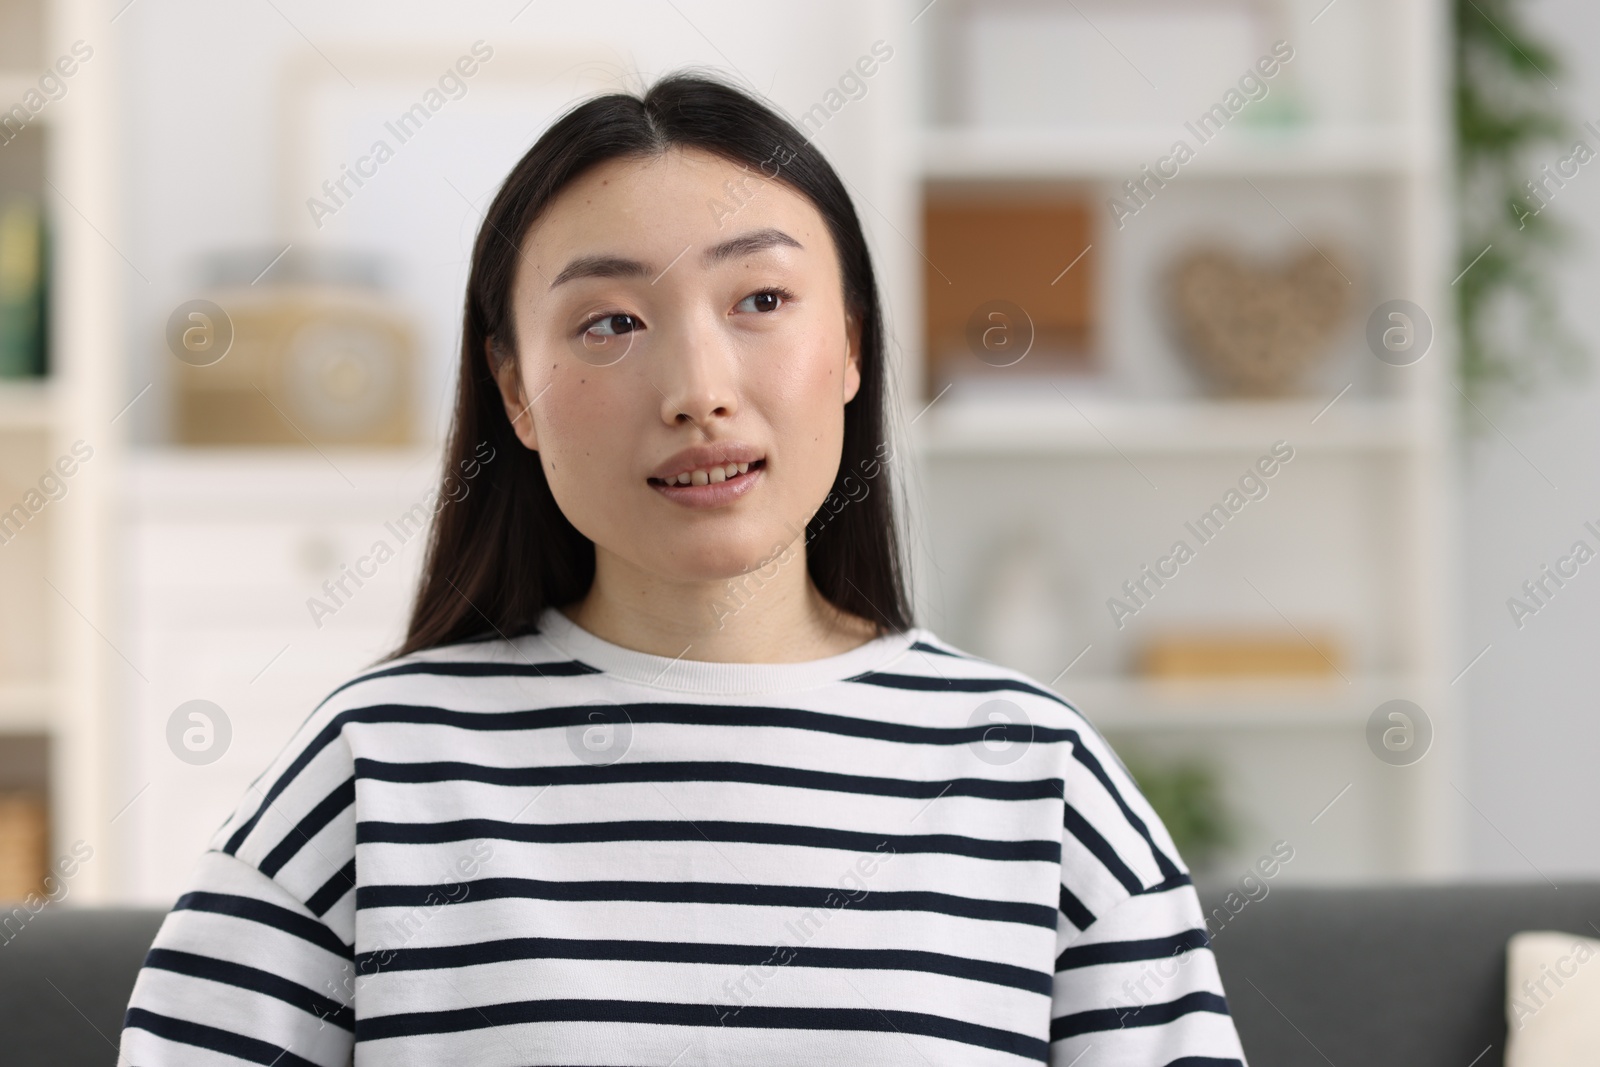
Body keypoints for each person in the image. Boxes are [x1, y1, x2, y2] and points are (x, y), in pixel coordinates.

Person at [118, 70, 1247, 1066]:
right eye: (608, 322)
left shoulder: (1036, 778)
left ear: (850, 344)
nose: (697, 387)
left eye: (760, 300)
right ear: (515, 393)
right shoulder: (374, 769)